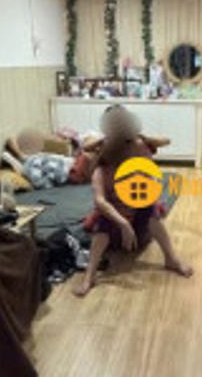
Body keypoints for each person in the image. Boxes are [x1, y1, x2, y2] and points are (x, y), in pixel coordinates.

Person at [73, 105, 193, 297]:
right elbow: (101, 202)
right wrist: (123, 224)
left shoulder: (136, 155)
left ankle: (171, 259)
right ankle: (89, 277)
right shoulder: (101, 167)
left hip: (136, 220)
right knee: (103, 226)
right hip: (115, 221)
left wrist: (139, 136)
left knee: (150, 211)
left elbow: (164, 142)